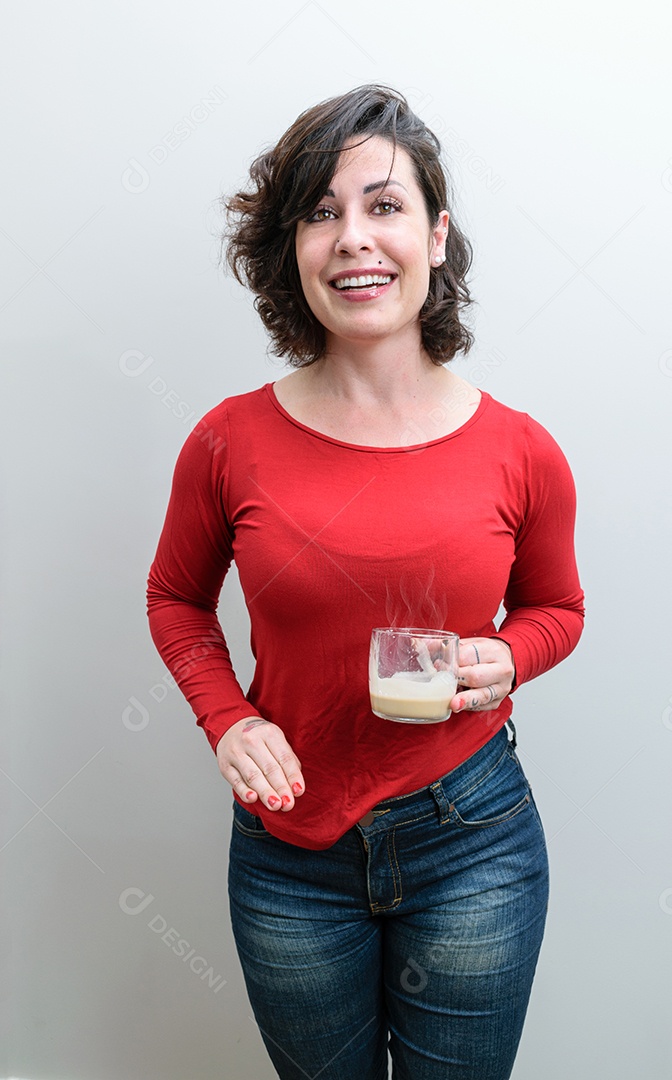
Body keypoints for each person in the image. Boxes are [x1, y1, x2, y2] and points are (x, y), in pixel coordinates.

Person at [146, 84, 584, 1080]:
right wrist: (230, 720)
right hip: (288, 855)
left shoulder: (522, 450)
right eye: (321, 210)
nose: (354, 237)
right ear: (291, 248)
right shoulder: (227, 439)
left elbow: (561, 609)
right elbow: (175, 598)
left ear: (436, 236)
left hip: (474, 839)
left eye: (384, 206)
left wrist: (508, 657)